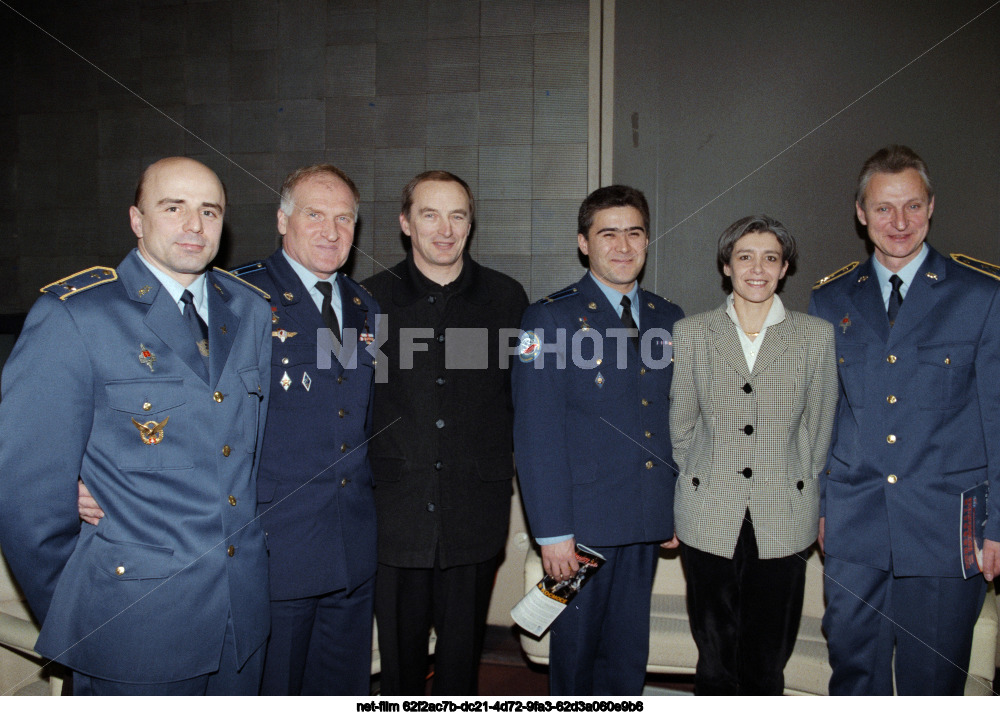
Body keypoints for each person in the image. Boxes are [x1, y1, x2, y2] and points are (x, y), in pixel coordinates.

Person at [80, 164, 381, 695]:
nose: (331, 232)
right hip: (275, 548)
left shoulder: (364, 307)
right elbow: (169, 408)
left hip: (350, 545)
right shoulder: (237, 299)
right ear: (283, 220)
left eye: (344, 219)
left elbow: (357, 415)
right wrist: (80, 477)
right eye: (314, 215)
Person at [0, 157, 273, 695]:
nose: (194, 225)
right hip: (130, 628)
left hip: (241, 623)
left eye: (209, 211)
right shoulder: (77, 315)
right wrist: (85, 604)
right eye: (173, 207)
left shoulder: (249, 310)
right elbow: (27, 498)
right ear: (137, 219)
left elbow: (243, 461)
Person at [809, 145, 1000, 695]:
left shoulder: (981, 296)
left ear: (932, 207)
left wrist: (997, 527)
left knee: (932, 683)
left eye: (912, 207)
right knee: (853, 674)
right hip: (855, 522)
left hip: (944, 526)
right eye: (884, 208)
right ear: (861, 213)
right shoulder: (831, 299)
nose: (899, 223)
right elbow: (826, 417)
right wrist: (821, 507)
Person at [512, 184, 684, 695]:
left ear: (648, 240)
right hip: (580, 530)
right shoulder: (550, 318)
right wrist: (552, 532)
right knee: (578, 661)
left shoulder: (667, 317)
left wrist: (671, 510)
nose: (623, 246)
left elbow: (676, 421)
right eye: (608, 234)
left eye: (634, 233)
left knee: (629, 657)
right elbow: (536, 433)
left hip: (645, 519)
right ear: (584, 243)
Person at [363, 170, 528, 695]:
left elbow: (524, 404)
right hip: (395, 516)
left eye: (457, 215)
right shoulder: (368, 301)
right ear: (405, 224)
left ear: (470, 224)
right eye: (430, 214)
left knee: (461, 669)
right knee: (400, 672)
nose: (445, 229)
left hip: (474, 515)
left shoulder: (506, 299)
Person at [670, 215, 838, 695]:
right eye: (745, 257)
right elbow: (681, 426)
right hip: (708, 513)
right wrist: (697, 479)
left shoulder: (815, 336)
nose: (757, 268)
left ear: (785, 268)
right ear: (727, 266)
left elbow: (819, 426)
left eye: (771, 258)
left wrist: (802, 483)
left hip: (784, 513)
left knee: (768, 655)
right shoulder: (694, 333)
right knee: (715, 651)